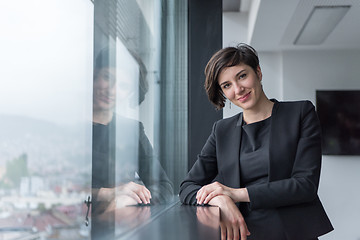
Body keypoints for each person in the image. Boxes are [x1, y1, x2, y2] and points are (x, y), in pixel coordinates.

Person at [179, 44, 333, 240]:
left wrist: (235, 194)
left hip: (293, 234)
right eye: (227, 85)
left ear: (258, 72)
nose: (238, 89)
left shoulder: (300, 113)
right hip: (243, 235)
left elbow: (305, 186)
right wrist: (220, 200)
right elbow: (187, 186)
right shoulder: (222, 131)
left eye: (242, 76)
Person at [91, 47, 174, 239]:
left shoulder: (132, 130)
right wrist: (108, 193)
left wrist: (126, 200)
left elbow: (164, 186)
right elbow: (55, 192)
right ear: (94, 76)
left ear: (129, 93)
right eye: (107, 77)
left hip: (118, 227)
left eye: (123, 86)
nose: (111, 90)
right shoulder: (72, 127)